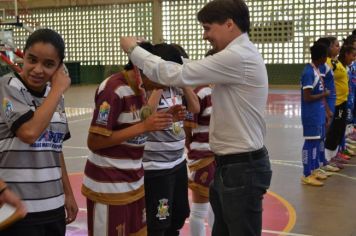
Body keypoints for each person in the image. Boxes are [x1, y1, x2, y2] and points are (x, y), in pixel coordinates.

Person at [120, 0, 272, 235]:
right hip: (231, 166)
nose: (204, 36)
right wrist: (168, 55)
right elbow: (191, 66)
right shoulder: (237, 55)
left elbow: (177, 74)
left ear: (229, 24)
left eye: (208, 28)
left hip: (242, 168)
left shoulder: (237, 57)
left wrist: (133, 50)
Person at [81, 42, 175, 236]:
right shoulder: (113, 90)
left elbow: (138, 118)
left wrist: (166, 114)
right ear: (145, 68)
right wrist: (144, 126)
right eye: (165, 76)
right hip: (109, 186)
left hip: (134, 182)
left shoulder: (141, 88)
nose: (167, 84)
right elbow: (94, 142)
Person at [0, 28, 78, 235]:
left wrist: (68, 194)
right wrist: (58, 90)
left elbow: (56, 147)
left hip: (52, 207)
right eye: (32, 59)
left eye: (48, 64)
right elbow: (29, 132)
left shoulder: (55, 97)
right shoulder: (8, 87)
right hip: (17, 208)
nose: (37, 69)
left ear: (59, 67)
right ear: (23, 56)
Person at [140, 43, 199, 236]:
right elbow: (145, 115)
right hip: (157, 168)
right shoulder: (148, 87)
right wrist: (160, 83)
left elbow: (195, 108)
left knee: (178, 215)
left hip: (178, 163)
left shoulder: (178, 88)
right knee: (159, 221)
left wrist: (184, 83)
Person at [300, 43, 330, 186]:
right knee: (310, 142)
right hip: (310, 115)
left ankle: (315, 169)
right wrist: (324, 94)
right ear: (323, 57)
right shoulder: (308, 72)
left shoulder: (317, 70)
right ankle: (307, 174)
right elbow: (307, 97)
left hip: (317, 112)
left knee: (317, 141)